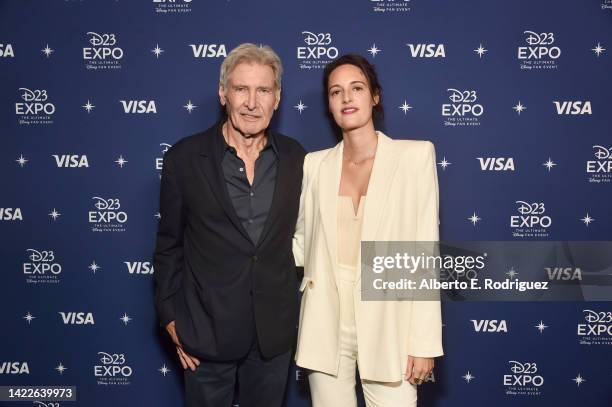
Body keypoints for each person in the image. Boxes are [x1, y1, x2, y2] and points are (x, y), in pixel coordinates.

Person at [154, 43, 305, 407]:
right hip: (205, 333)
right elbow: (168, 245)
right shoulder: (184, 158)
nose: (252, 102)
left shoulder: (299, 158)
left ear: (277, 98)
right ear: (223, 94)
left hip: (272, 337)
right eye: (241, 89)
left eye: (263, 90)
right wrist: (171, 318)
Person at [292, 54, 443, 406]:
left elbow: (423, 254)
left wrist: (422, 342)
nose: (347, 98)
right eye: (336, 92)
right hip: (327, 316)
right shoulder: (314, 165)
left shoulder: (414, 158)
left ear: (374, 96)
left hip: (389, 316)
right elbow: (302, 241)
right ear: (328, 105)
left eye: (356, 88)